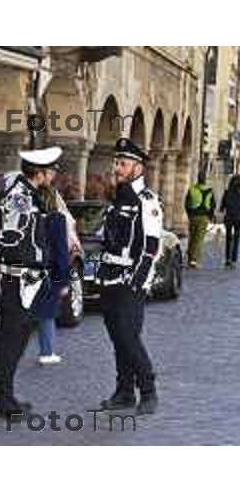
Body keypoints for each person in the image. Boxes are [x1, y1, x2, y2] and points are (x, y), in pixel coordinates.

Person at [0, 146, 62, 416]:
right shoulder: (20, 197)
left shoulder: (28, 195)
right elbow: (11, 238)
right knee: (11, 339)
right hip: (17, 280)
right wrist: (35, 262)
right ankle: (1, 401)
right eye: (52, 170)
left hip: (23, 278)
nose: (54, 175)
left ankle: (4, 397)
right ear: (40, 173)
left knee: (16, 338)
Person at [96, 138, 162, 415]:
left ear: (138, 167)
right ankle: (124, 391)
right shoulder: (118, 197)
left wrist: (137, 280)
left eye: (123, 164)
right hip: (109, 277)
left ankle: (148, 390)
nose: (117, 168)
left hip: (130, 280)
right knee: (117, 339)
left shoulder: (147, 202)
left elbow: (151, 247)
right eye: (117, 163)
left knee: (129, 337)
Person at [35, 186, 70, 365]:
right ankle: (46, 352)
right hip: (51, 272)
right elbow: (61, 252)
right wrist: (64, 280)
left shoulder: (29, 217)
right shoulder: (57, 219)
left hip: (25, 270)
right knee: (47, 313)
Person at [185, 171, 215, 268]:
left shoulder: (192, 189)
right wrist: (211, 216)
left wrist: (189, 214)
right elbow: (212, 205)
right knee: (199, 239)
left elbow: (186, 203)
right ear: (205, 180)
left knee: (192, 237)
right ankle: (194, 260)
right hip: (203, 217)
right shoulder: (210, 191)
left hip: (193, 216)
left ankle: (190, 257)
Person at [220, 174, 240, 269]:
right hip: (238, 218)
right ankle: (234, 260)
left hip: (228, 217)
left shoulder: (227, 192)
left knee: (228, 238)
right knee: (236, 239)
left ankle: (227, 259)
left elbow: (222, 207)